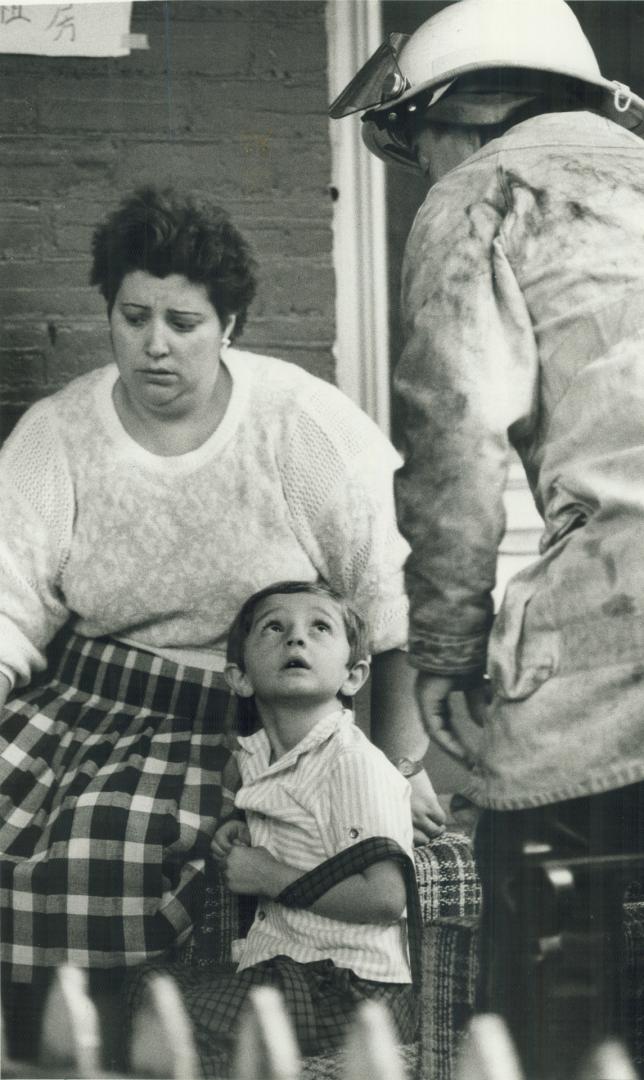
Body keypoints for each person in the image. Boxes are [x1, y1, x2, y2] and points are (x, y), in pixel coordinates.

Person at [0, 186, 445, 1057]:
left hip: (247, 711)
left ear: (229, 325)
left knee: (120, 847)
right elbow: (5, 602)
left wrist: (402, 765)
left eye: (184, 321)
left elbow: (390, 603)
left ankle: (135, 1042)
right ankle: (35, 1046)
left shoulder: (297, 424)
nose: (155, 344)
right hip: (84, 701)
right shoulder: (58, 436)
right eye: (134, 317)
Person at [331, 0, 644, 1075]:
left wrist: (449, 654)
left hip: (618, 618)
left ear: (457, 111)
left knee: (548, 952)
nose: (422, 172)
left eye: (416, 148)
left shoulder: (482, 192)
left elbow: (454, 438)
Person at [127, 580, 420, 1077]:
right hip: (290, 968)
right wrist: (240, 830)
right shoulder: (263, 756)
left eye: (319, 628)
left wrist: (269, 875)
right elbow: (302, 825)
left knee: (182, 1018)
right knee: (145, 987)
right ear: (240, 678)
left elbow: (386, 898)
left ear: (354, 675)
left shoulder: (352, 764)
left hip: (357, 988)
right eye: (274, 628)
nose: (296, 640)